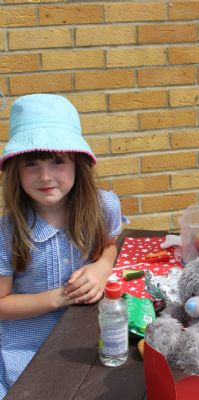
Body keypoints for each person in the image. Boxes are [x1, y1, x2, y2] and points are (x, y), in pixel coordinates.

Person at [0, 94, 127, 398]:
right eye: (31, 164)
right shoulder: (8, 231)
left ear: (77, 164)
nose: (45, 176)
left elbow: (110, 245)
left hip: (89, 337)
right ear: (16, 170)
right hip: (24, 351)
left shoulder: (104, 207)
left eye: (57, 161)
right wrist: (61, 297)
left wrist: (101, 267)